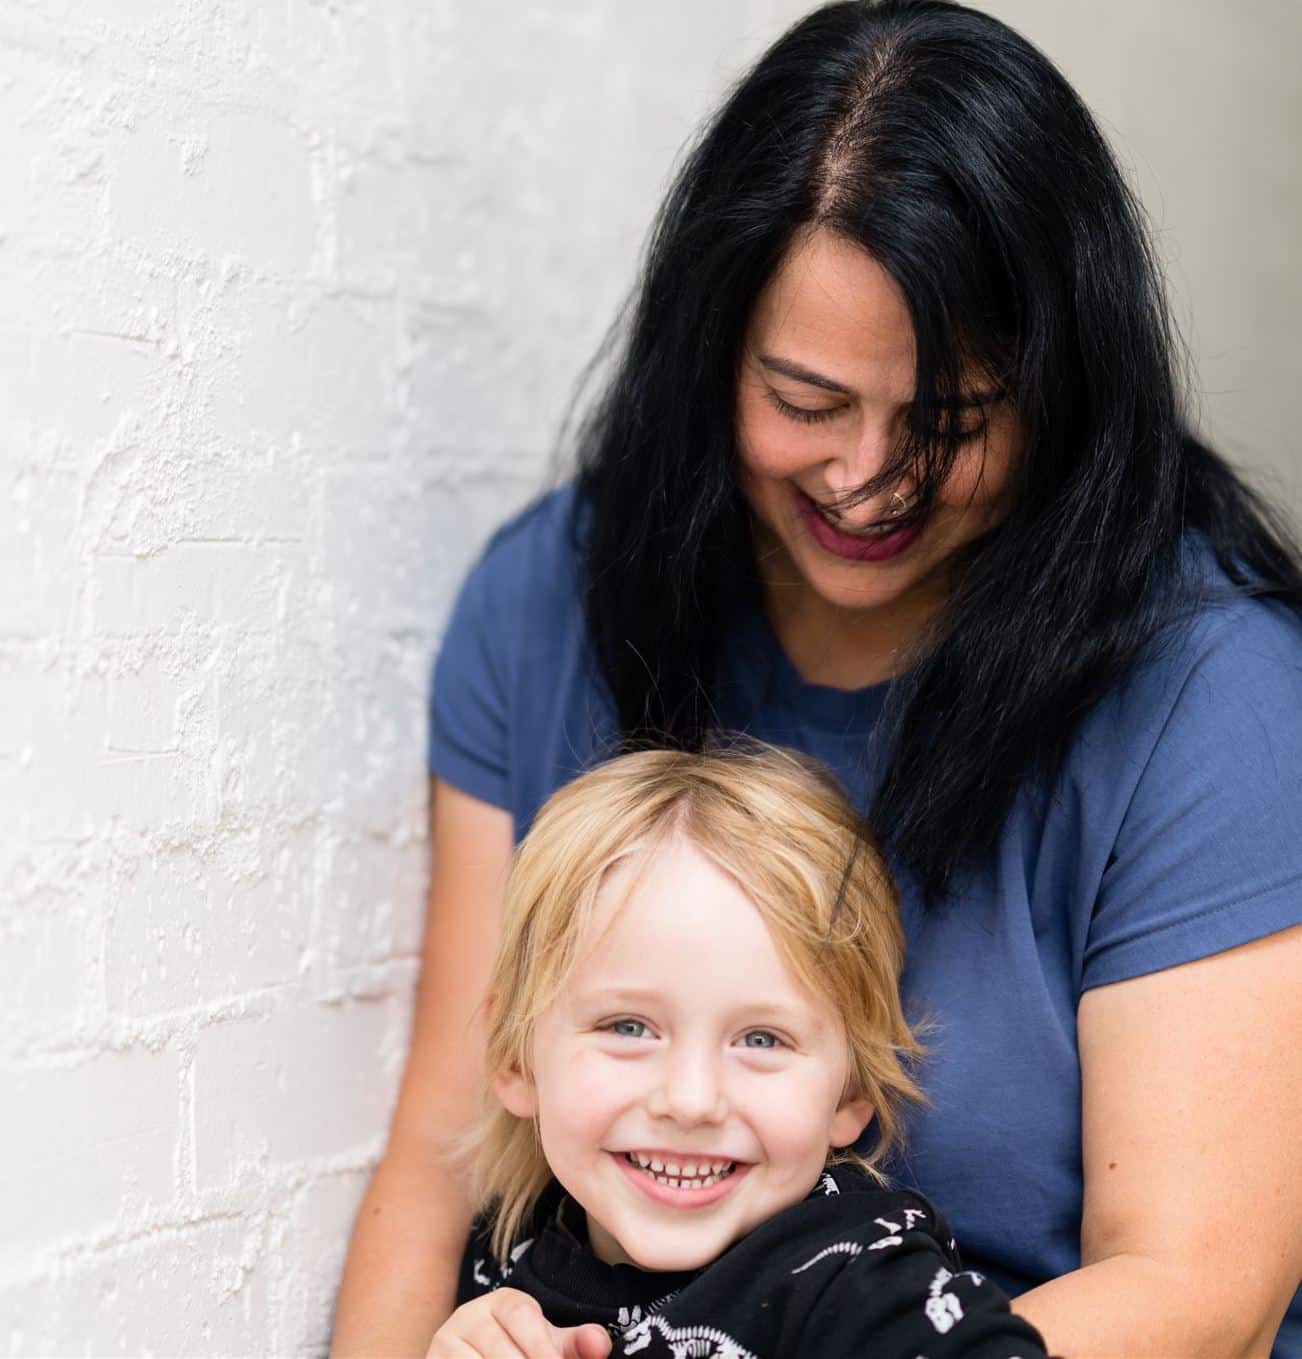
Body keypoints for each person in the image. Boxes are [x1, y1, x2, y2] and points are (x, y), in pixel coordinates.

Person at [331, 2, 1302, 1356]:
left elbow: (1204, 1288)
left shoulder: (1214, 696)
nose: (864, 478)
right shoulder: (544, 602)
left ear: (1059, 396)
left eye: (947, 422)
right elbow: (443, 1152)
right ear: (711, 357)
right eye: (803, 400)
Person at [428, 743, 1052, 1359]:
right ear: (514, 1056)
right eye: (628, 1027)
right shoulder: (505, 1260)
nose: (692, 1101)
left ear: (853, 1092)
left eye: (761, 1039)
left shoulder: (859, 1278)